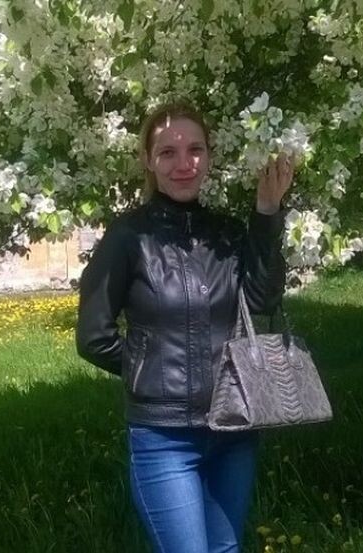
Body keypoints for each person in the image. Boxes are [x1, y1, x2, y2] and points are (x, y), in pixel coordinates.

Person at [75, 100, 293, 553]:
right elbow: (94, 336)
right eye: (168, 152)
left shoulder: (226, 233)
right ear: (149, 161)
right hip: (165, 438)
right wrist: (151, 373)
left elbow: (262, 299)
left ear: (209, 157)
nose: (183, 164)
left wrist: (267, 212)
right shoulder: (129, 237)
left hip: (234, 429)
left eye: (195, 150)